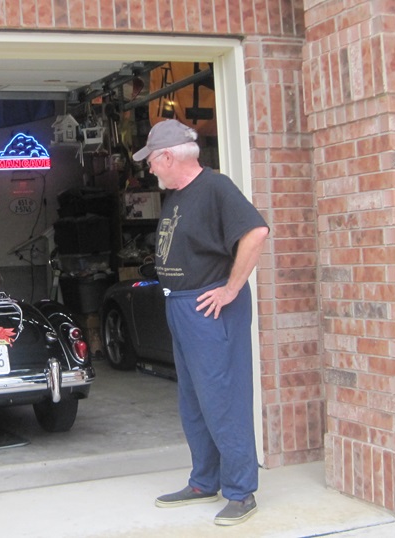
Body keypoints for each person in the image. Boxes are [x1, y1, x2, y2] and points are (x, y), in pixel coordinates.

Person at [132, 119, 270, 526]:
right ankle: (204, 481)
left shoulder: (216, 188)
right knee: (193, 400)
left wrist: (230, 289)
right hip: (182, 306)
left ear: (168, 157)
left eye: (151, 160)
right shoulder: (178, 195)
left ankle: (241, 492)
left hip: (210, 308)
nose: (149, 168)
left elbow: (256, 232)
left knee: (223, 399)